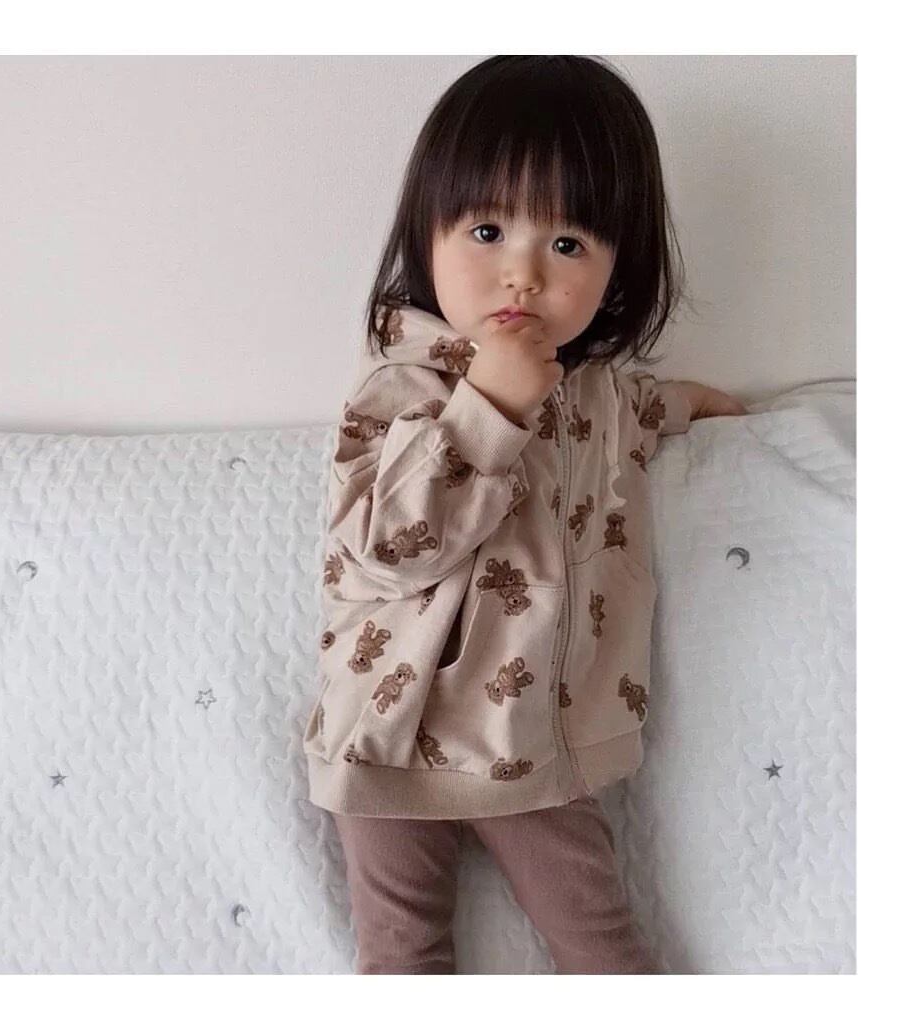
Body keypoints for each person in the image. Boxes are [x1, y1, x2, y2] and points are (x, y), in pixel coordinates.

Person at [302, 55, 747, 975]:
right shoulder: (403, 385)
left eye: (569, 244)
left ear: (617, 270)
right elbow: (381, 547)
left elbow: (631, 413)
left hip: (535, 748)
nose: (523, 274)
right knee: (403, 960)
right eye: (488, 229)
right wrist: (488, 410)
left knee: (603, 950)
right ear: (425, 235)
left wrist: (690, 403)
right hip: (387, 741)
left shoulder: (595, 390)